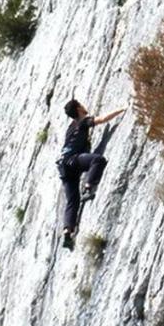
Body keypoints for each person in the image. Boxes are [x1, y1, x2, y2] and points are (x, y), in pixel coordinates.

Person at [58, 99, 125, 246]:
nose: (84, 106)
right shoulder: (82, 122)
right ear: (79, 109)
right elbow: (101, 119)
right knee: (98, 160)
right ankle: (88, 187)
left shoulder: (71, 127)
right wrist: (121, 109)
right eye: (81, 105)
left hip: (63, 167)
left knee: (72, 201)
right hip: (73, 161)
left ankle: (67, 233)